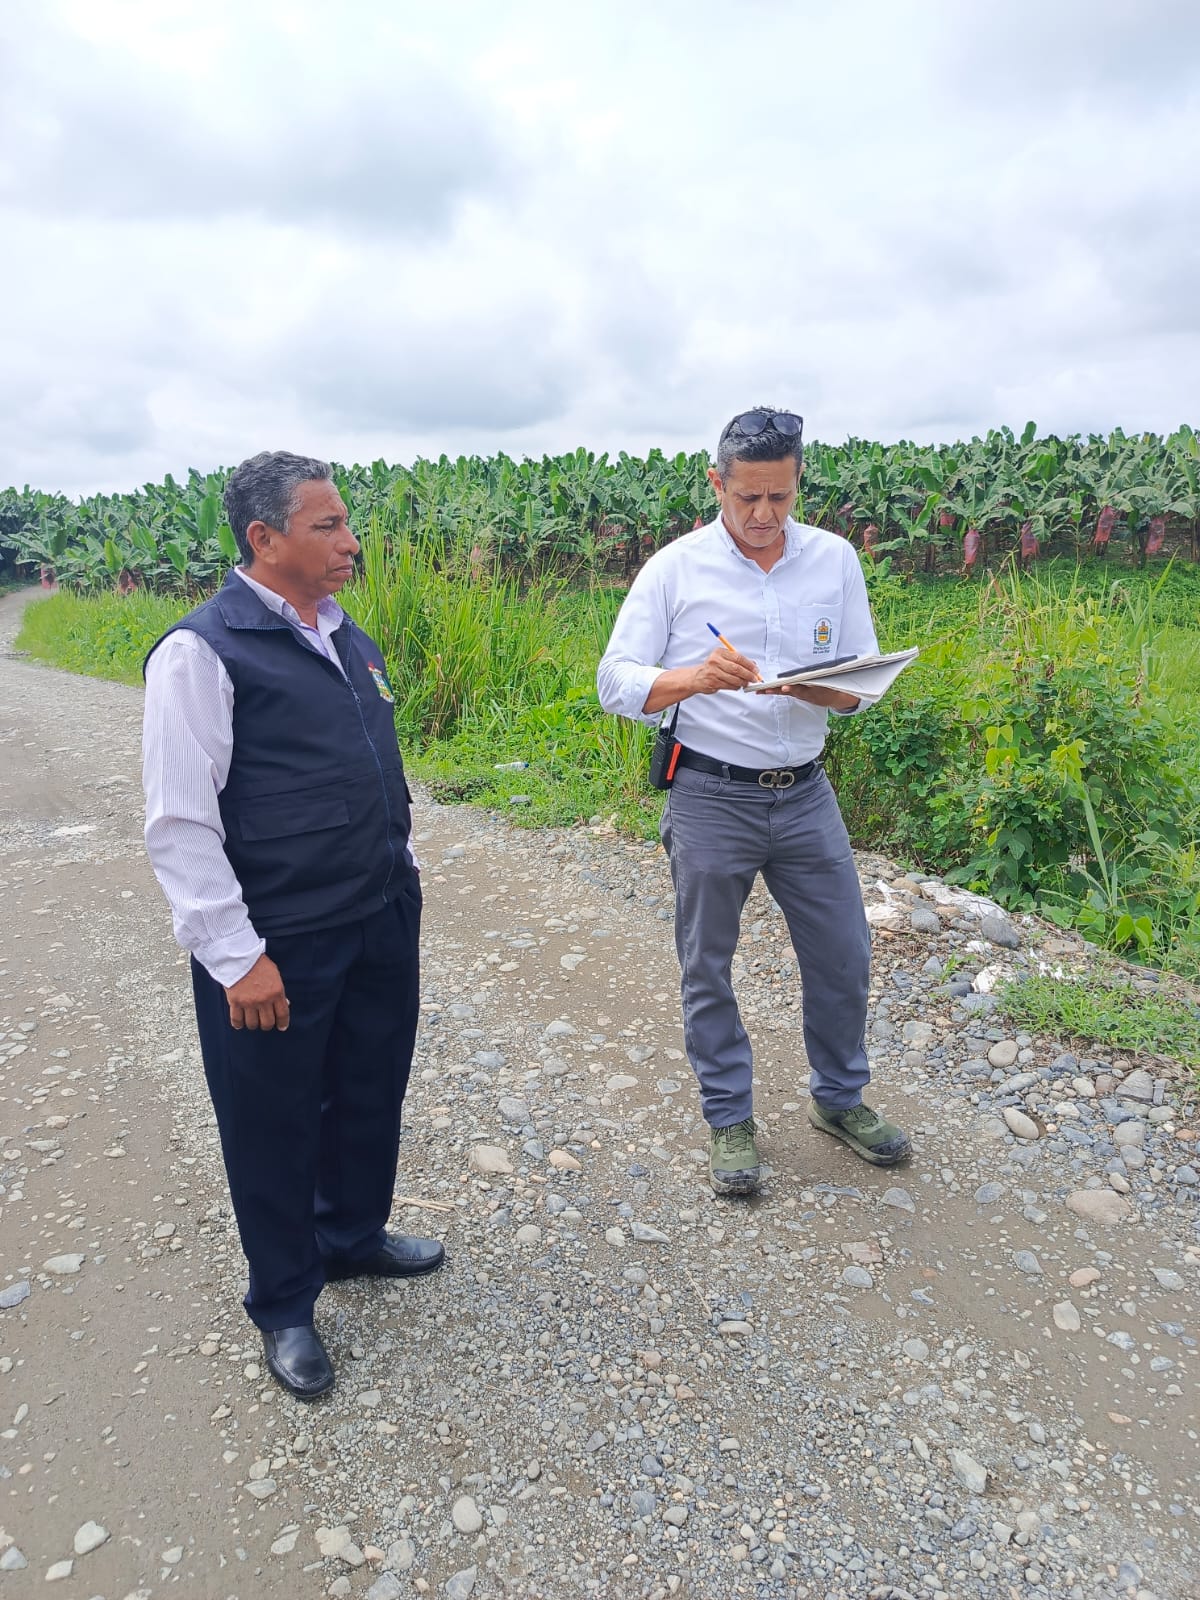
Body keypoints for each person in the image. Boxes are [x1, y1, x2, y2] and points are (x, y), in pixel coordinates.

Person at [141, 450, 443, 1400]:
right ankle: (283, 1302)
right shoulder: (203, 653)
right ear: (264, 538)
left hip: (378, 917)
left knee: (368, 1090)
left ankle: (350, 1236)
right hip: (278, 941)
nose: (351, 541)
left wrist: (402, 875)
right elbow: (180, 823)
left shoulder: (349, 636)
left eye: (347, 522)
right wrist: (236, 959)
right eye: (328, 526)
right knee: (270, 1122)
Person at [597, 408, 910, 1196]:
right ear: (717, 484)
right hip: (710, 793)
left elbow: (861, 679)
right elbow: (615, 682)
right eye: (748, 498)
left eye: (781, 496)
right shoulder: (674, 570)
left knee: (843, 953)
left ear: (799, 481)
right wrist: (693, 678)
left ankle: (838, 1099)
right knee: (708, 963)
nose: (765, 515)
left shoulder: (833, 561)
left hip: (805, 794)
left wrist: (827, 691)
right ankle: (729, 1117)